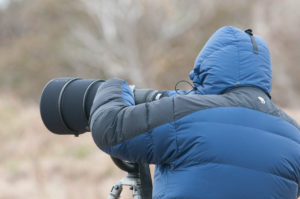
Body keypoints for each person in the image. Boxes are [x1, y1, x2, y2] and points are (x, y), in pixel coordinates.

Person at [89, 26, 300, 199]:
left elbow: (110, 129)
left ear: (206, 68)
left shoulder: (185, 113)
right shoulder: (294, 136)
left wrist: (114, 86)